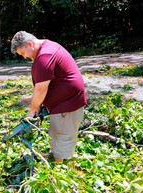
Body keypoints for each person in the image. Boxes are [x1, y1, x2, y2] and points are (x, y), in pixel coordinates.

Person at [10, 31, 87, 164]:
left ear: (30, 44)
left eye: (23, 53)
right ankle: (58, 157)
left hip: (68, 101)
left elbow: (40, 89)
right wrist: (40, 105)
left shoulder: (45, 55)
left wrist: (31, 112)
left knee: (61, 133)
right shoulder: (45, 49)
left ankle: (59, 169)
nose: (24, 57)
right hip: (63, 100)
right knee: (57, 130)